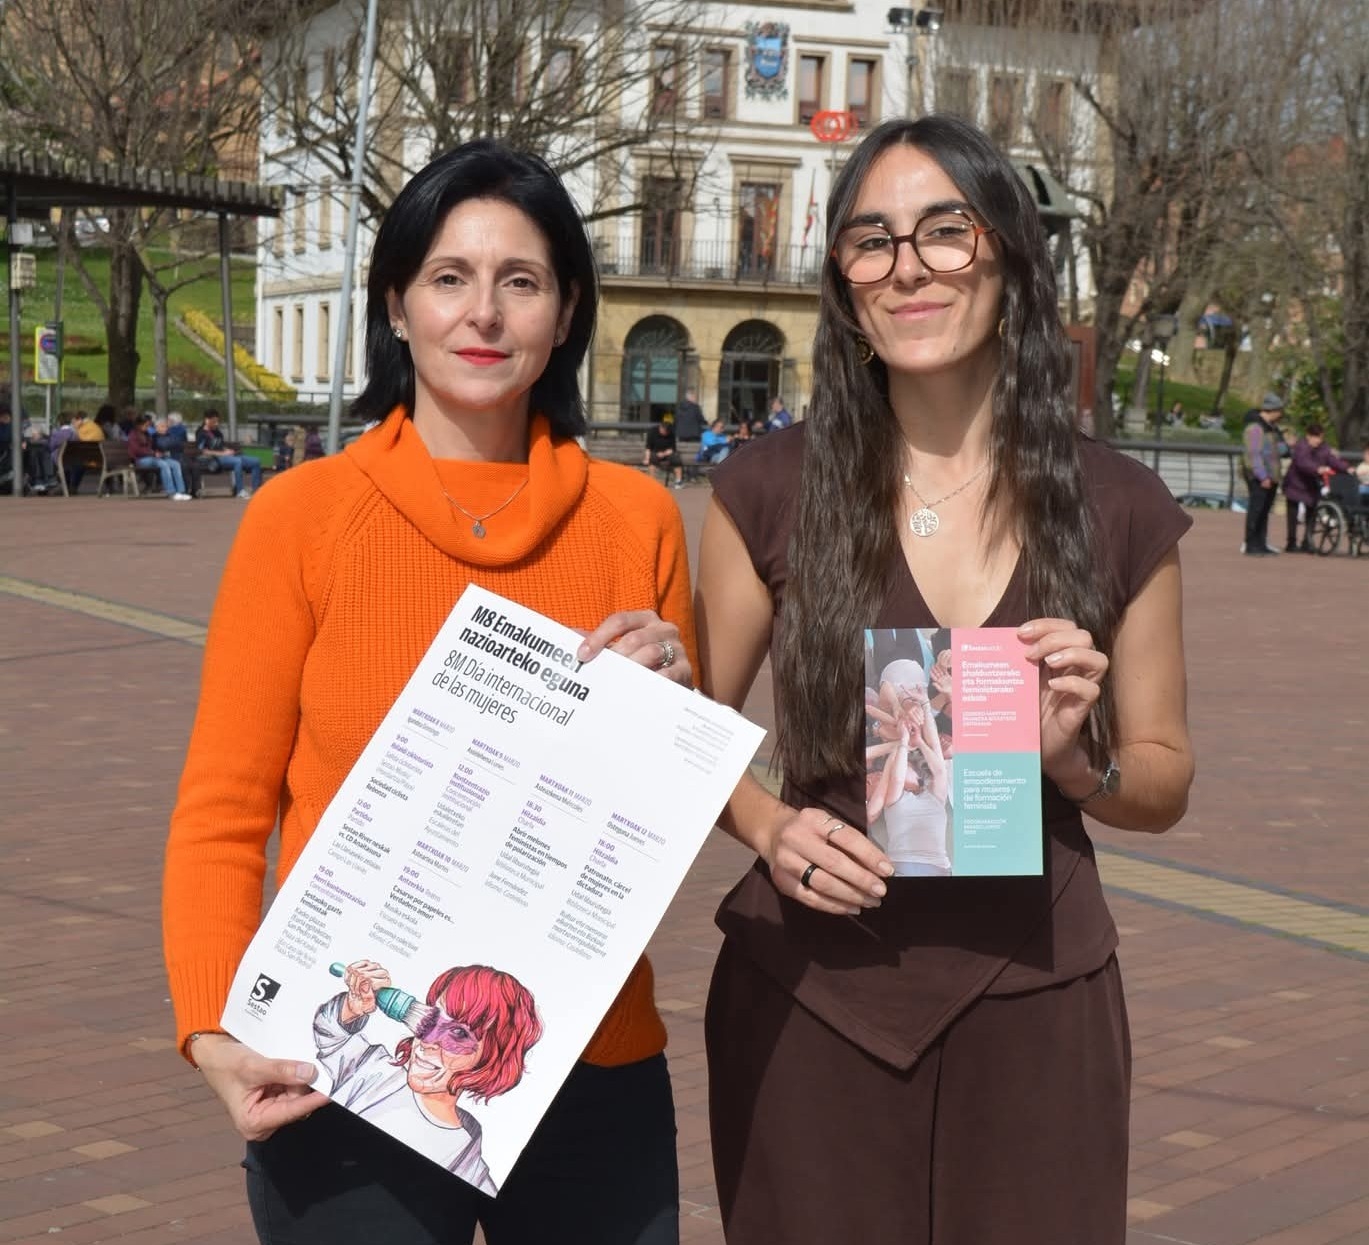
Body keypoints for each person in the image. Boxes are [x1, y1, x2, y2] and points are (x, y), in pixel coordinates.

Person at [163, 139, 693, 1245]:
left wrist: (669, 720)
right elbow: (223, 812)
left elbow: (645, 845)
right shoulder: (302, 518)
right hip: (349, 1069)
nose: (483, 313)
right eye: (449, 277)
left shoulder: (637, 518)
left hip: (588, 1065)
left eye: (521, 281)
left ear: (566, 311)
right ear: (396, 306)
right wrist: (212, 1027)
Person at [694, 115, 1195, 1244]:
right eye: (871, 241)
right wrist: (769, 826)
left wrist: (1075, 763)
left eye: (945, 232)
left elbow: (1163, 777)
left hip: (1037, 995)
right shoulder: (766, 488)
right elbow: (685, 733)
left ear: (1008, 257)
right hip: (811, 996)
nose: (908, 267)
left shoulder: (1117, 504)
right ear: (844, 283)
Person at [317, 960, 542, 1195]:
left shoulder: (467, 1166)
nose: (428, 1041)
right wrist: (353, 1006)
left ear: (491, 1058)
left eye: (459, 1034)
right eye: (433, 1019)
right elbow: (331, 1034)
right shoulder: (375, 1072)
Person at [1282, 422, 1347, 552]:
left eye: (1321, 437)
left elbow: (1332, 460)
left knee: (1311, 514)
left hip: (1311, 485)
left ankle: (1307, 542)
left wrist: (1346, 468)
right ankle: (1291, 542)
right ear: (1308, 436)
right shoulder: (1301, 447)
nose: (1318, 440)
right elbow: (1303, 462)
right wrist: (1317, 469)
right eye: (1316, 437)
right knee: (1292, 514)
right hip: (1295, 484)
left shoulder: (1324, 448)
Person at [1241, 394, 1285, 556]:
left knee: (1264, 511)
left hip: (1272, 476)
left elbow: (1281, 450)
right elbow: (1253, 455)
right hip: (1260, 477)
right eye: (1279, 411)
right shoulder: (1255, 428)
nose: (1281, 414)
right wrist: (1262, 476)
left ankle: (1261, 543)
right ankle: (1251, 544)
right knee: (1256, 510)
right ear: (1272, 410)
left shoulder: (1271, 428)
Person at [196, 409, 263, 498]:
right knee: (237, 461)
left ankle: (257, 490)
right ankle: (240, 491)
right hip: (214, 459)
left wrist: (228, 450)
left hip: (226, 456)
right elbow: (204, 451)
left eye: (218, 421)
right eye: (214, 422)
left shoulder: (217, 432)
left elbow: (221, 446)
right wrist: (223, 454)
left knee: (256, 461)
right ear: (207, 420)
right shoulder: (201, 433)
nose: (217, 424)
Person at [128, 412, 192, 499]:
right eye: (146, 425)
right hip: (140, 459)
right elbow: (136, 450)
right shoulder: (133, 435)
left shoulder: (147, 434)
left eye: (148, 425)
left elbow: (151, 447)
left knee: (175, 464)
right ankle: (171, 492)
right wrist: (153, 453)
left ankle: (181, 491)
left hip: (152, 457)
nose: (148, 427)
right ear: (139, 425)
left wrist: (157, 453)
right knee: (163, 464)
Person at [643, 416, 684, 488]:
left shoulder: (671, 433)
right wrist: (647, 458)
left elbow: (673, 448)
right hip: (655, 452)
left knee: (676, 459)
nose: (665, 433)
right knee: (652, 459)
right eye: (664, 431)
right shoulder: (652, 432)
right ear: (661, 428)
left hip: (667, 453)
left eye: (667, 432)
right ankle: (652, 481)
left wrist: (665, 453)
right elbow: (648, 447)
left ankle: (678, 481)